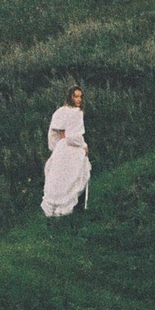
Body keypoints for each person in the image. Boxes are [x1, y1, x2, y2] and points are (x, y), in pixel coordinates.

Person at [40, 84, 91, 218]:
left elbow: (60, 133)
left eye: (80, 97)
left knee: (69, 177)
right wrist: (83, 145)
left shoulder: (64, 112)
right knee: (67, 177)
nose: (78, 100)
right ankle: (67, 210)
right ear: (70, 97)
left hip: (63, 147)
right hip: (70, 148)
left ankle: (70, 210)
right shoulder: (73, 112)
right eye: (76, 97)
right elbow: (67, 135)